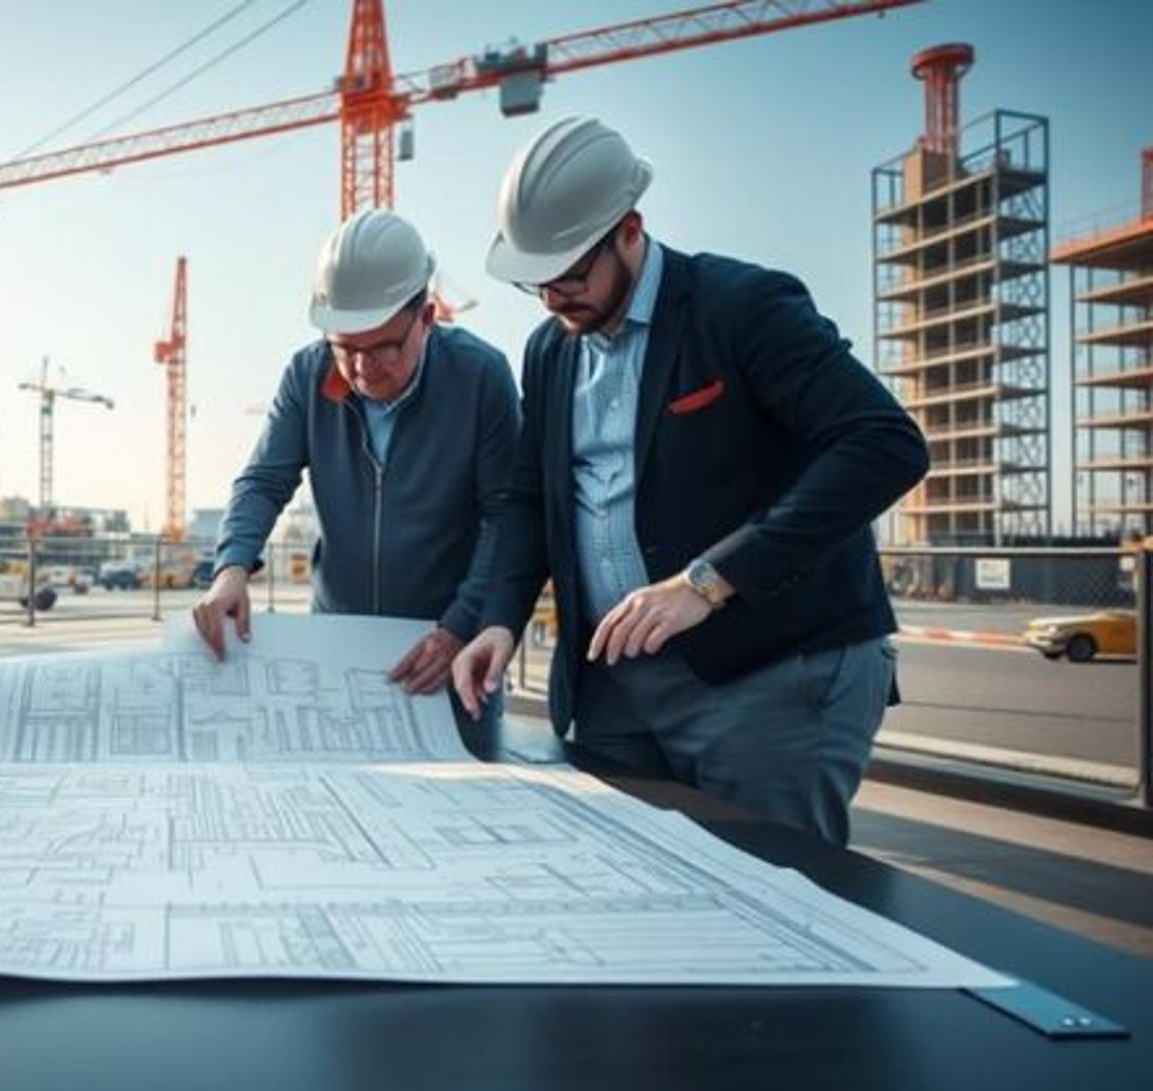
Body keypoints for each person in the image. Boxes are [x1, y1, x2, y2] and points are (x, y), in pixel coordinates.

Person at [450, 116, 929, 845]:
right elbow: (529, 498)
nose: (552, 297)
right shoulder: (549, 351)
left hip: (769, 677)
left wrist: (707, 580)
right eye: (535, 280)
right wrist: (499, 618)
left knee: (774, 913)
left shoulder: (741, 307)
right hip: (612, 688)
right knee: (621, 906)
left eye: (572, 273)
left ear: (631, 229)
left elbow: (885, 443)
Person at [193, 209, 520, 760]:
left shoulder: (480, 377)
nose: (363, 368)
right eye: (346, 348)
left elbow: (505, 517)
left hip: (449, 654)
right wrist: (231, 569)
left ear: (428, 316)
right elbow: (263, 480)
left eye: (384, 346)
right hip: (337, 647)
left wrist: (459, 627)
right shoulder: (308, 373)